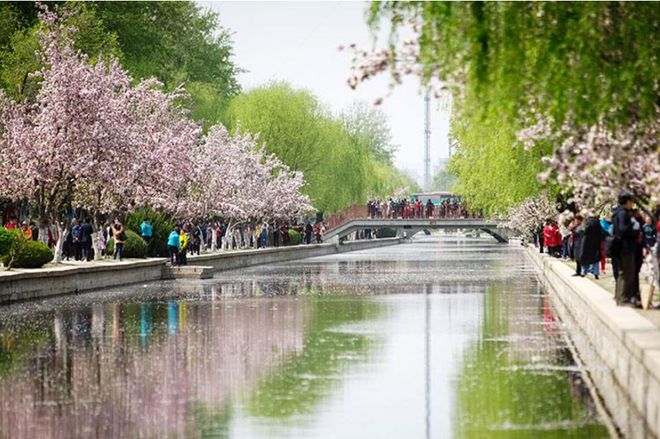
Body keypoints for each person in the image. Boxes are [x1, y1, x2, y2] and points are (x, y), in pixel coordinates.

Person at [612, 192, 637, 306]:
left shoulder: (617, 213)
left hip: (620, 247)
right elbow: (623, 229)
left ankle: (619, 297)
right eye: (631, 201)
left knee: (622, 272)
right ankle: (622, 298)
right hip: (625, 247)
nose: (632, 204)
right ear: (627, 202)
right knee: (627, 272)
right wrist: (634, 231)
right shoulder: (623, 213)